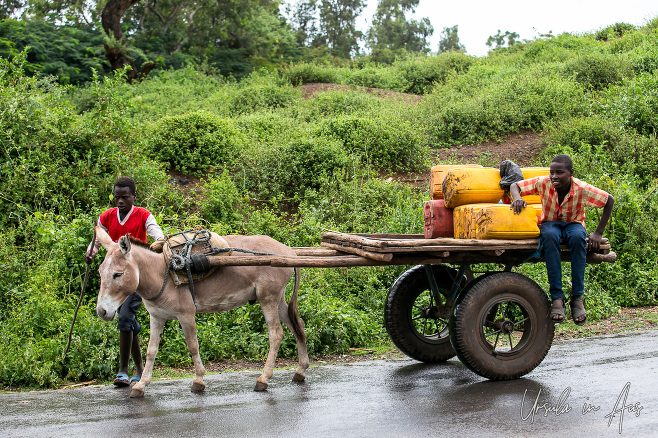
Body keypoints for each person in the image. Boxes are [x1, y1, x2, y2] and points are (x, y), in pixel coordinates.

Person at [509, 154, 614, 325]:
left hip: (574, 224)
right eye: (552, 172)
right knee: (549, 236)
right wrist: (518, 198)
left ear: (571, 173)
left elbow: (609, 200)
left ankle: (577, 298)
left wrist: (598, 233)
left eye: (560, 172)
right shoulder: (543, 182)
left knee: (579, 237)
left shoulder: (581, 188)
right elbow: (515, 185)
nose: (554, 176)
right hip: (551, 224)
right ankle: (557, 298)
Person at [85, 176, 165, 387]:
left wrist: (160, 244)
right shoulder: (107, 216)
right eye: (117, 197)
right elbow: (97, 238)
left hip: (135, 276)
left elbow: (158, 235)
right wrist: (91, 253)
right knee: (128, 322)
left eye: (125, 197)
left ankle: (122, 370)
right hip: (114, 275)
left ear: (133, 197)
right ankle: (139, 369)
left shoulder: (143, 216)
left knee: (125, 317)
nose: (120, 201)